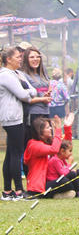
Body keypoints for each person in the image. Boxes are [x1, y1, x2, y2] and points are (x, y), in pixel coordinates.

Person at [0, 47, 42, 200]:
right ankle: (18, 190)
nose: (20, 59)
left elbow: (33, 90)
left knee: (11, 154)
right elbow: (24, 95)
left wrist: (28, 91)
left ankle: (6, 190)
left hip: (18, 117)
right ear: (8, 59)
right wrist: (28, 92)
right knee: (16, 154)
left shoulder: (18, 74)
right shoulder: (5, 75)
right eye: (17, 57)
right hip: (12, 118)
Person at [46, 133, 79, 197]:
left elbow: (66, 170)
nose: (71, 153)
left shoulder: (62, 159)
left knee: (78, 171)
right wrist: (69, 164)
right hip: (56, 183)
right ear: (62, 151)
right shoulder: (55, 160)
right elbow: (63, 173)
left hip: (62, 179)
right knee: (72, 174)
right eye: (70, 151)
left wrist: (71, 168)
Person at [21, 47, 51, 142]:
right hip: (33, 113)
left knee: (47, 141)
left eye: (38, 57)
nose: (35, 59)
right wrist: (42, 99)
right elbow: (25, 98)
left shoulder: (43, 73)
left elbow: (48, 86)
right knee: (35, 141)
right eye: (32, 57)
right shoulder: (23, 75)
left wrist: (48, 94)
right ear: (26, 59)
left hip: (46, 111)